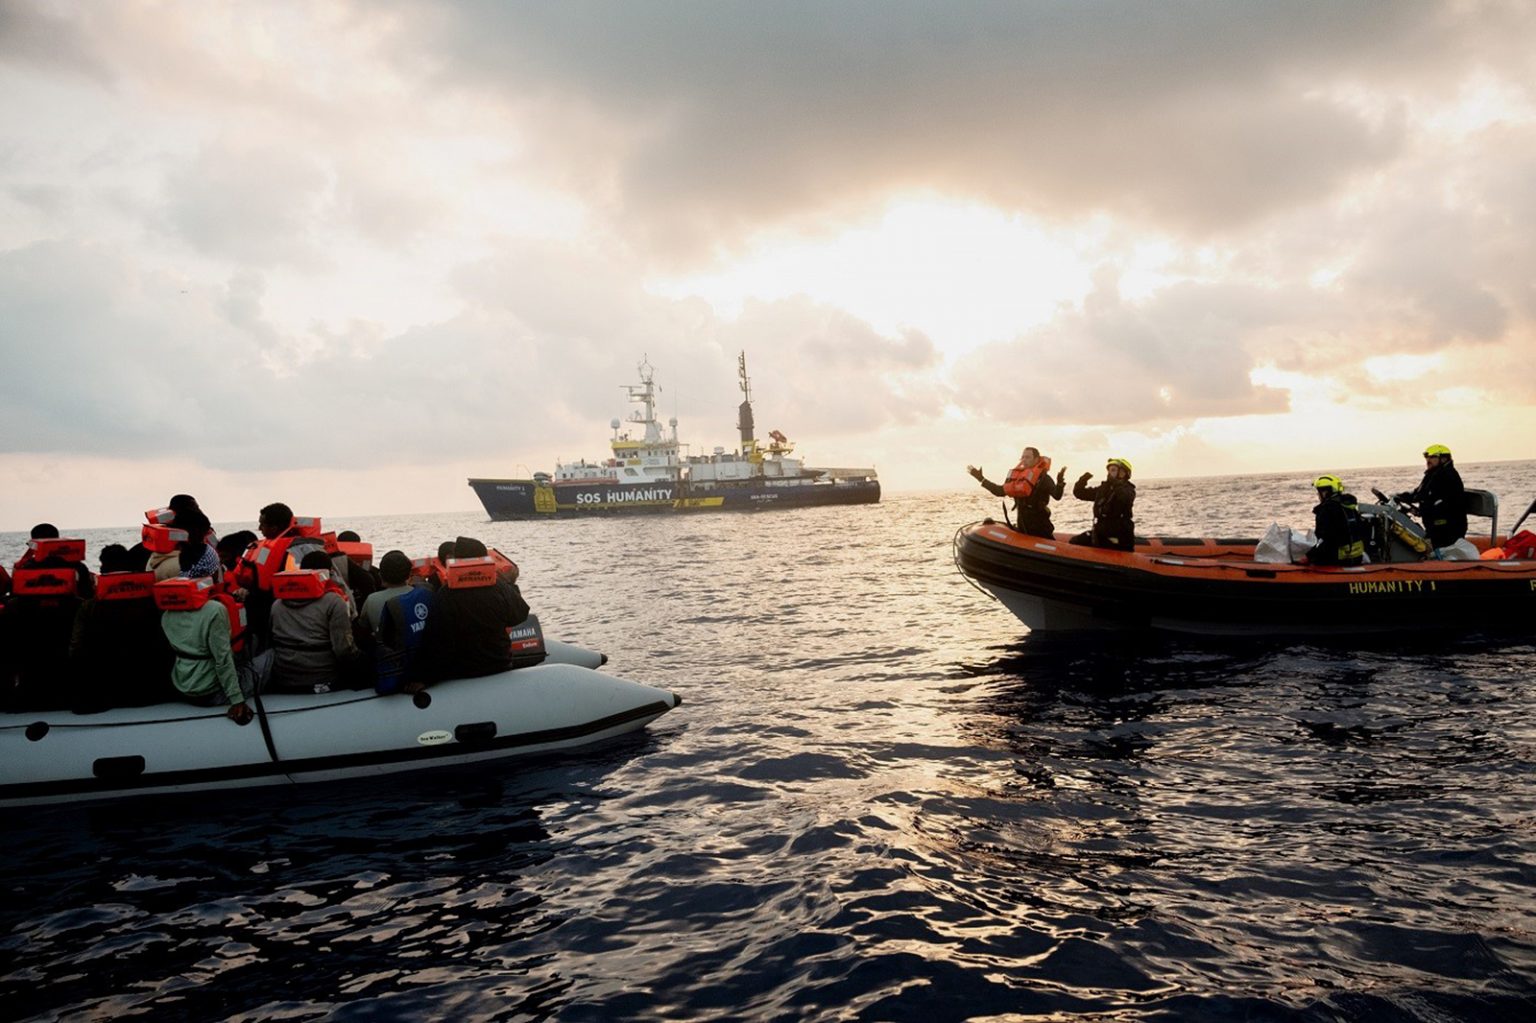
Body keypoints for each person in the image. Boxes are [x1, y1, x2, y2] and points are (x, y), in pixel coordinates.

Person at [69, 544, 175, 712]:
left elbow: (76, 647)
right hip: (151, 686)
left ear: (103, 567)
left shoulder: (90, 606)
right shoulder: (154, 600)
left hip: (107, 688)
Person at [421, 536, 530, 682]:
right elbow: (520, 615)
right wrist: (511, 584)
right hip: (499, 664)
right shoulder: (499, 587)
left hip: (462, 670)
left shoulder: (446, 593)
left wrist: (420, 676)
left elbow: (435, 636)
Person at [159, 551, 250, 724]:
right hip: (210, 691)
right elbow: (222, 659)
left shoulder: (168, 609)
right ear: (214, 572)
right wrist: (237, 700)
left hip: (181, 684)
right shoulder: (214, 610)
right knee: (268, 658)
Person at [268, 551, 359, 694]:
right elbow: (343, 650)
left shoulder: (278, 604)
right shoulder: (335, 602)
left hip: (284, 676)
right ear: (329, 573)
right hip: (324, 676)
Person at [357, 550, 434, 693]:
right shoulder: (422, 595)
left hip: (391, 667)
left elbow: (362, 633)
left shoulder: (372, 600)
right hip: (419, 663)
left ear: (381, 575)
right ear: (409, 574)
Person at [967, 447, 1067, 538]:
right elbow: (999, 491)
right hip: (1023, 528)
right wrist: (980, 478)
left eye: (1027, 457)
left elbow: (1057, 495)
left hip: (1040, 530)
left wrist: (1060, 482)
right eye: (1022, 457)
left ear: (1036, 460)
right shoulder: (1018, 479)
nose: (1024, 460)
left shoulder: (1044, 479)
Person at [1393, 444, 1467, 548]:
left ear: (1443, 458)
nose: (1428, 460)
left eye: (1432, 457)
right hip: (1436, 525)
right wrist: (1401, 496)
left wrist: (1421, 510)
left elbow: (1439, 500)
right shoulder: (1432, 474)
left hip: (1447, 528)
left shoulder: (1447, 475)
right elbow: (1418, 493)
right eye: (1427, 457)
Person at [1069, 458, 1137, 550]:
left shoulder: (1128, 490)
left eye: (1113, 470)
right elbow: (1079, 493)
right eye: (1109, 470)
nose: (1109, 473)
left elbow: (1125, 497)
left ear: (1123, 473)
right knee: (1076, 541)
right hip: (1101, 533)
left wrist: (1116, 483)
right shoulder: (1104, 489)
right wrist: (1083, 479)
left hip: (1119, 536)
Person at [1304, 475, 1366, 567]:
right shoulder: (1349, 507)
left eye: (1319, 492)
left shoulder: (1327, 510)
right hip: (1356, 558)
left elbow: (1326, 540)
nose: (1318, 495)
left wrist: (1308, 557)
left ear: (1325, 492)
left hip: (1337, 560)